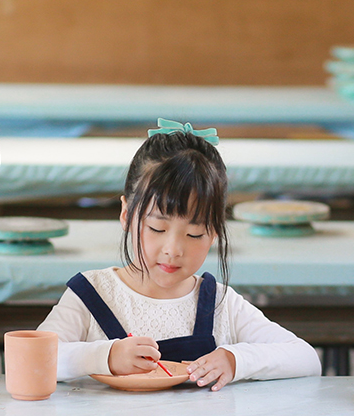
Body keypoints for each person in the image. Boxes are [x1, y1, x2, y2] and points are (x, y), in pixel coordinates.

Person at [37, 119, 321, 390]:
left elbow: (305, 358)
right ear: (126, 214)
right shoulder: (91, 294)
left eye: (195, 234)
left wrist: (236, 360)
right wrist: (105, 357)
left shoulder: (220, 303)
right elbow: (35, 359)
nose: (173, 250)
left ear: (215, 233)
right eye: (157, 228)